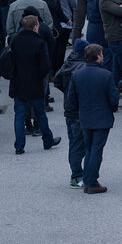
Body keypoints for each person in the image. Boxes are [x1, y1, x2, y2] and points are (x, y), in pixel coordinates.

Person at [65, 43, 117, 194]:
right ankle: (92, 181)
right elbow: (113, 99)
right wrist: (111, 109)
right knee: (96, 150)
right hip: (102, 118)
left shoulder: (77, 75)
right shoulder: (106, 75)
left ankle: (87, 180)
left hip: (85, 117)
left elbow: (71, 98)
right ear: (99, 56)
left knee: (89, 148)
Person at [10, 15, 60, 154]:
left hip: (19, 83)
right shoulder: (39, 43)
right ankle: (47, 139)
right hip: (35, 83)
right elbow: (45, 66)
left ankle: (19, 145)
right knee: (40, 113)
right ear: (35, 27)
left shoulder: (15, 41)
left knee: (19, 114)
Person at [54, 39, 89, 189]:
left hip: (69, 110)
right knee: (83, 144)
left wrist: (66, 92)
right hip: (80, 111)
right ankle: (78, 176)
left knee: (74, 143)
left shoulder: (68, 63)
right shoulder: (83, 67)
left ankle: (76, 174)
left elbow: (56, 80)